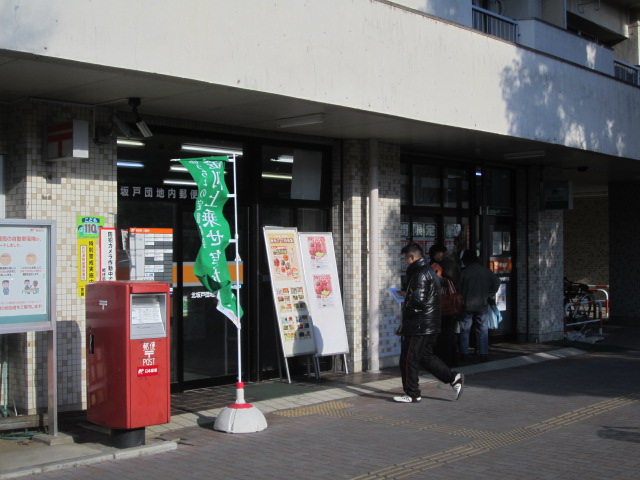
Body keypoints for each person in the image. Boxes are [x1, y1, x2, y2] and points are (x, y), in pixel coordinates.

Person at [394, 243, 464, 403]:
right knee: (425, 357)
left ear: (412, 257)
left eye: (405, 259)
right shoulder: (429, 271)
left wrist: (406, 301)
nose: (405, 262)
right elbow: (425, 297)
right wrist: (409, 295)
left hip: (418, 325)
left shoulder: (420, 273)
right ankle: (453, 378)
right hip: (429, 324)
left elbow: (418, 301)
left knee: (408, 359)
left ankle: (412, 393)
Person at [457, 249, 501, 361]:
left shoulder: (465, 272)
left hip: (467, 304)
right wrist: (490, 294)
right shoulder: (485, 271)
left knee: (465, 329)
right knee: (483, 328)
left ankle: (464, 352)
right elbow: (497, 281)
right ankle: (483, 352)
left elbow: (458, 288)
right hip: (482, 303)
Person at [429, 245, 461, 367]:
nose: (437, 256)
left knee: (445, 333)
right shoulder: (453, 262)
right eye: (435, 254)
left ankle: (446, 359)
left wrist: (439, 276)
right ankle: (452, 359)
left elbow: (445, 281)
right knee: (450, 333)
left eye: (439, 253)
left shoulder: (445, 264)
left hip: (446, 305)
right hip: (452, 304)